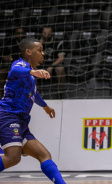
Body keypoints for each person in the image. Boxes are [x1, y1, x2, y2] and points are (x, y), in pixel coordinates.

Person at [0, 38, 66, 184]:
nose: (43, 54)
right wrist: (33, 71)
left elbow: (33, 95)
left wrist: (45, 106)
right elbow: (14, 70)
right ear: (28, 52)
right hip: (9, 116)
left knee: (44, 155)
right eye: (40, 50)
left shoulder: (29, 76)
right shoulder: (20, 65)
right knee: (13, 158)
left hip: (21, 121)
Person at [39, 26, 66, 94]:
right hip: (41, 65)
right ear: (42, 33)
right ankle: (35, 92)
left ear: (52, 33)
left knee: (60, 69)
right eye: (45, 33)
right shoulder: (37, 43)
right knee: (30, 69)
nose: (46, 35)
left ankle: (60, 91)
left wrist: (51, 66)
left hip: (54, 65)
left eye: (49, 34)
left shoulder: (58, 43)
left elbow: (61, 58)